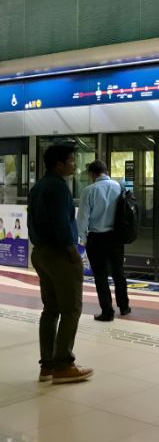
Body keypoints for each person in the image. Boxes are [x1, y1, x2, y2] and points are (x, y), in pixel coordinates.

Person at [28, 143, 93, 384]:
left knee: (51, 309)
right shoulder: (58, 187)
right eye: (72, 160)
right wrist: (72, 252)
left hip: (41, 252)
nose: (75, 165)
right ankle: (63, 364)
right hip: (59, 254)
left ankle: (47, 365)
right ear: (59, 164)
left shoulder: (39, 187)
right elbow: (60, 223)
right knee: (71, 308)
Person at [76, 161, 130, 321]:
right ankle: (124, 306)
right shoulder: (118, 187)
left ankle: (107, 311)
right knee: (118, 272)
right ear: (105, 171)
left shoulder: (89, 191)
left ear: (92, 174)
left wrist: (83, 240)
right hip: (116, 237)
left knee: (100, 276)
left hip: (96, 238)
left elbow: (83, 218)